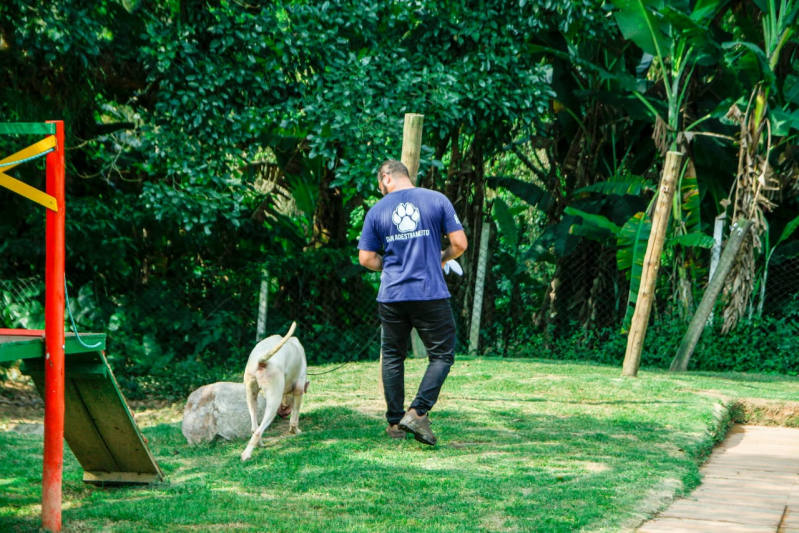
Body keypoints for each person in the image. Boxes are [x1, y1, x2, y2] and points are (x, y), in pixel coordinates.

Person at [357, 159, 467, 445]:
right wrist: (440, 258)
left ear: (386, 178)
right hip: (429, 291)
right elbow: (460, 244)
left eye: (380, 184)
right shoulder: (437, 200)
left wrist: (394, 265)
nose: (380, 190)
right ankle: (417, 412)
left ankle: (395, 423)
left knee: (393, 355)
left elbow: (366, 258)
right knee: (442, 355)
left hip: (392, 295)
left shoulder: (376, 211)